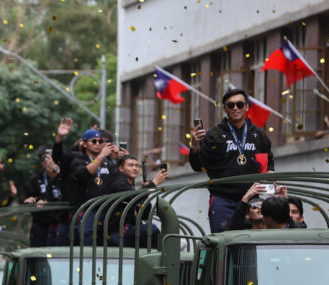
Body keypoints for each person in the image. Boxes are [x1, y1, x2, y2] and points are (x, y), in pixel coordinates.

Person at [189, 88, 275, 233]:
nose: (235, 108)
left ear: (247, 106)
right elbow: (198, 166)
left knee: (251, 242)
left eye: (240, 104)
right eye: (231, 105)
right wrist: (194, 146)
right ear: (225, 108)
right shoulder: (213, 135)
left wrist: (270, 172)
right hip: (222, 198)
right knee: (222, 239)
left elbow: (268, 161)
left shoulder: (258, 134)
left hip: (252, 199)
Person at [105, 155, 168, 246]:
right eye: (130, 165)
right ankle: (165, 249)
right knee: (150, 229)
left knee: (149, 231)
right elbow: (132, 197)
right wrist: (154, 183)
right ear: (121, 168)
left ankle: (165, 248)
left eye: (136, 166)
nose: (135, 168)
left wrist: (145, 194)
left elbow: (144, 216)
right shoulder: (118, 183)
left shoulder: (130, 186)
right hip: (117, 233)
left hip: (130, 231)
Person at [23, 146, 68, 246]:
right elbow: (26, 198)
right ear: (41, 162)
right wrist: (32, 200)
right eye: (45, 159)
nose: (47, 163)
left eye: (51, 159)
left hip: (59, 221)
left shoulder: (64, 176)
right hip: (40, 221)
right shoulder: (35, 178)